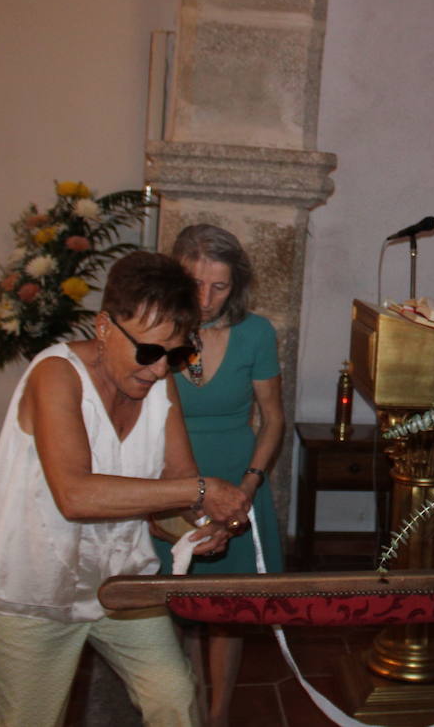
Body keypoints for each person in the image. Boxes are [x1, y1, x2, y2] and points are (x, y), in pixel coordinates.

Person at [0, 251, 253, 727]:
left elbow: (173, 493)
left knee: (175, 700)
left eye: (176, 354)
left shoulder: (160, 383)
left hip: (120, 583)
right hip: (34, 588)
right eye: (149, 352)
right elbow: (75, 495)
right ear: (104, 327)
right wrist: (201, 492)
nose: (161, 370)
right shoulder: (55, 375)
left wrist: (201, 526)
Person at [151, 224, 285, 727]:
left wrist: (247, 490)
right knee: (175, 599)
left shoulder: (257, 333)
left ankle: (219, 714)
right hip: (168, 477)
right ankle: (184, 708)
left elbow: (273, 419)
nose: (204, 298)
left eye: (219, 286)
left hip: (236, 475)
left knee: (226, 608)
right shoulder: (155, 328)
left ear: (238, 284)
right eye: (194, 283)